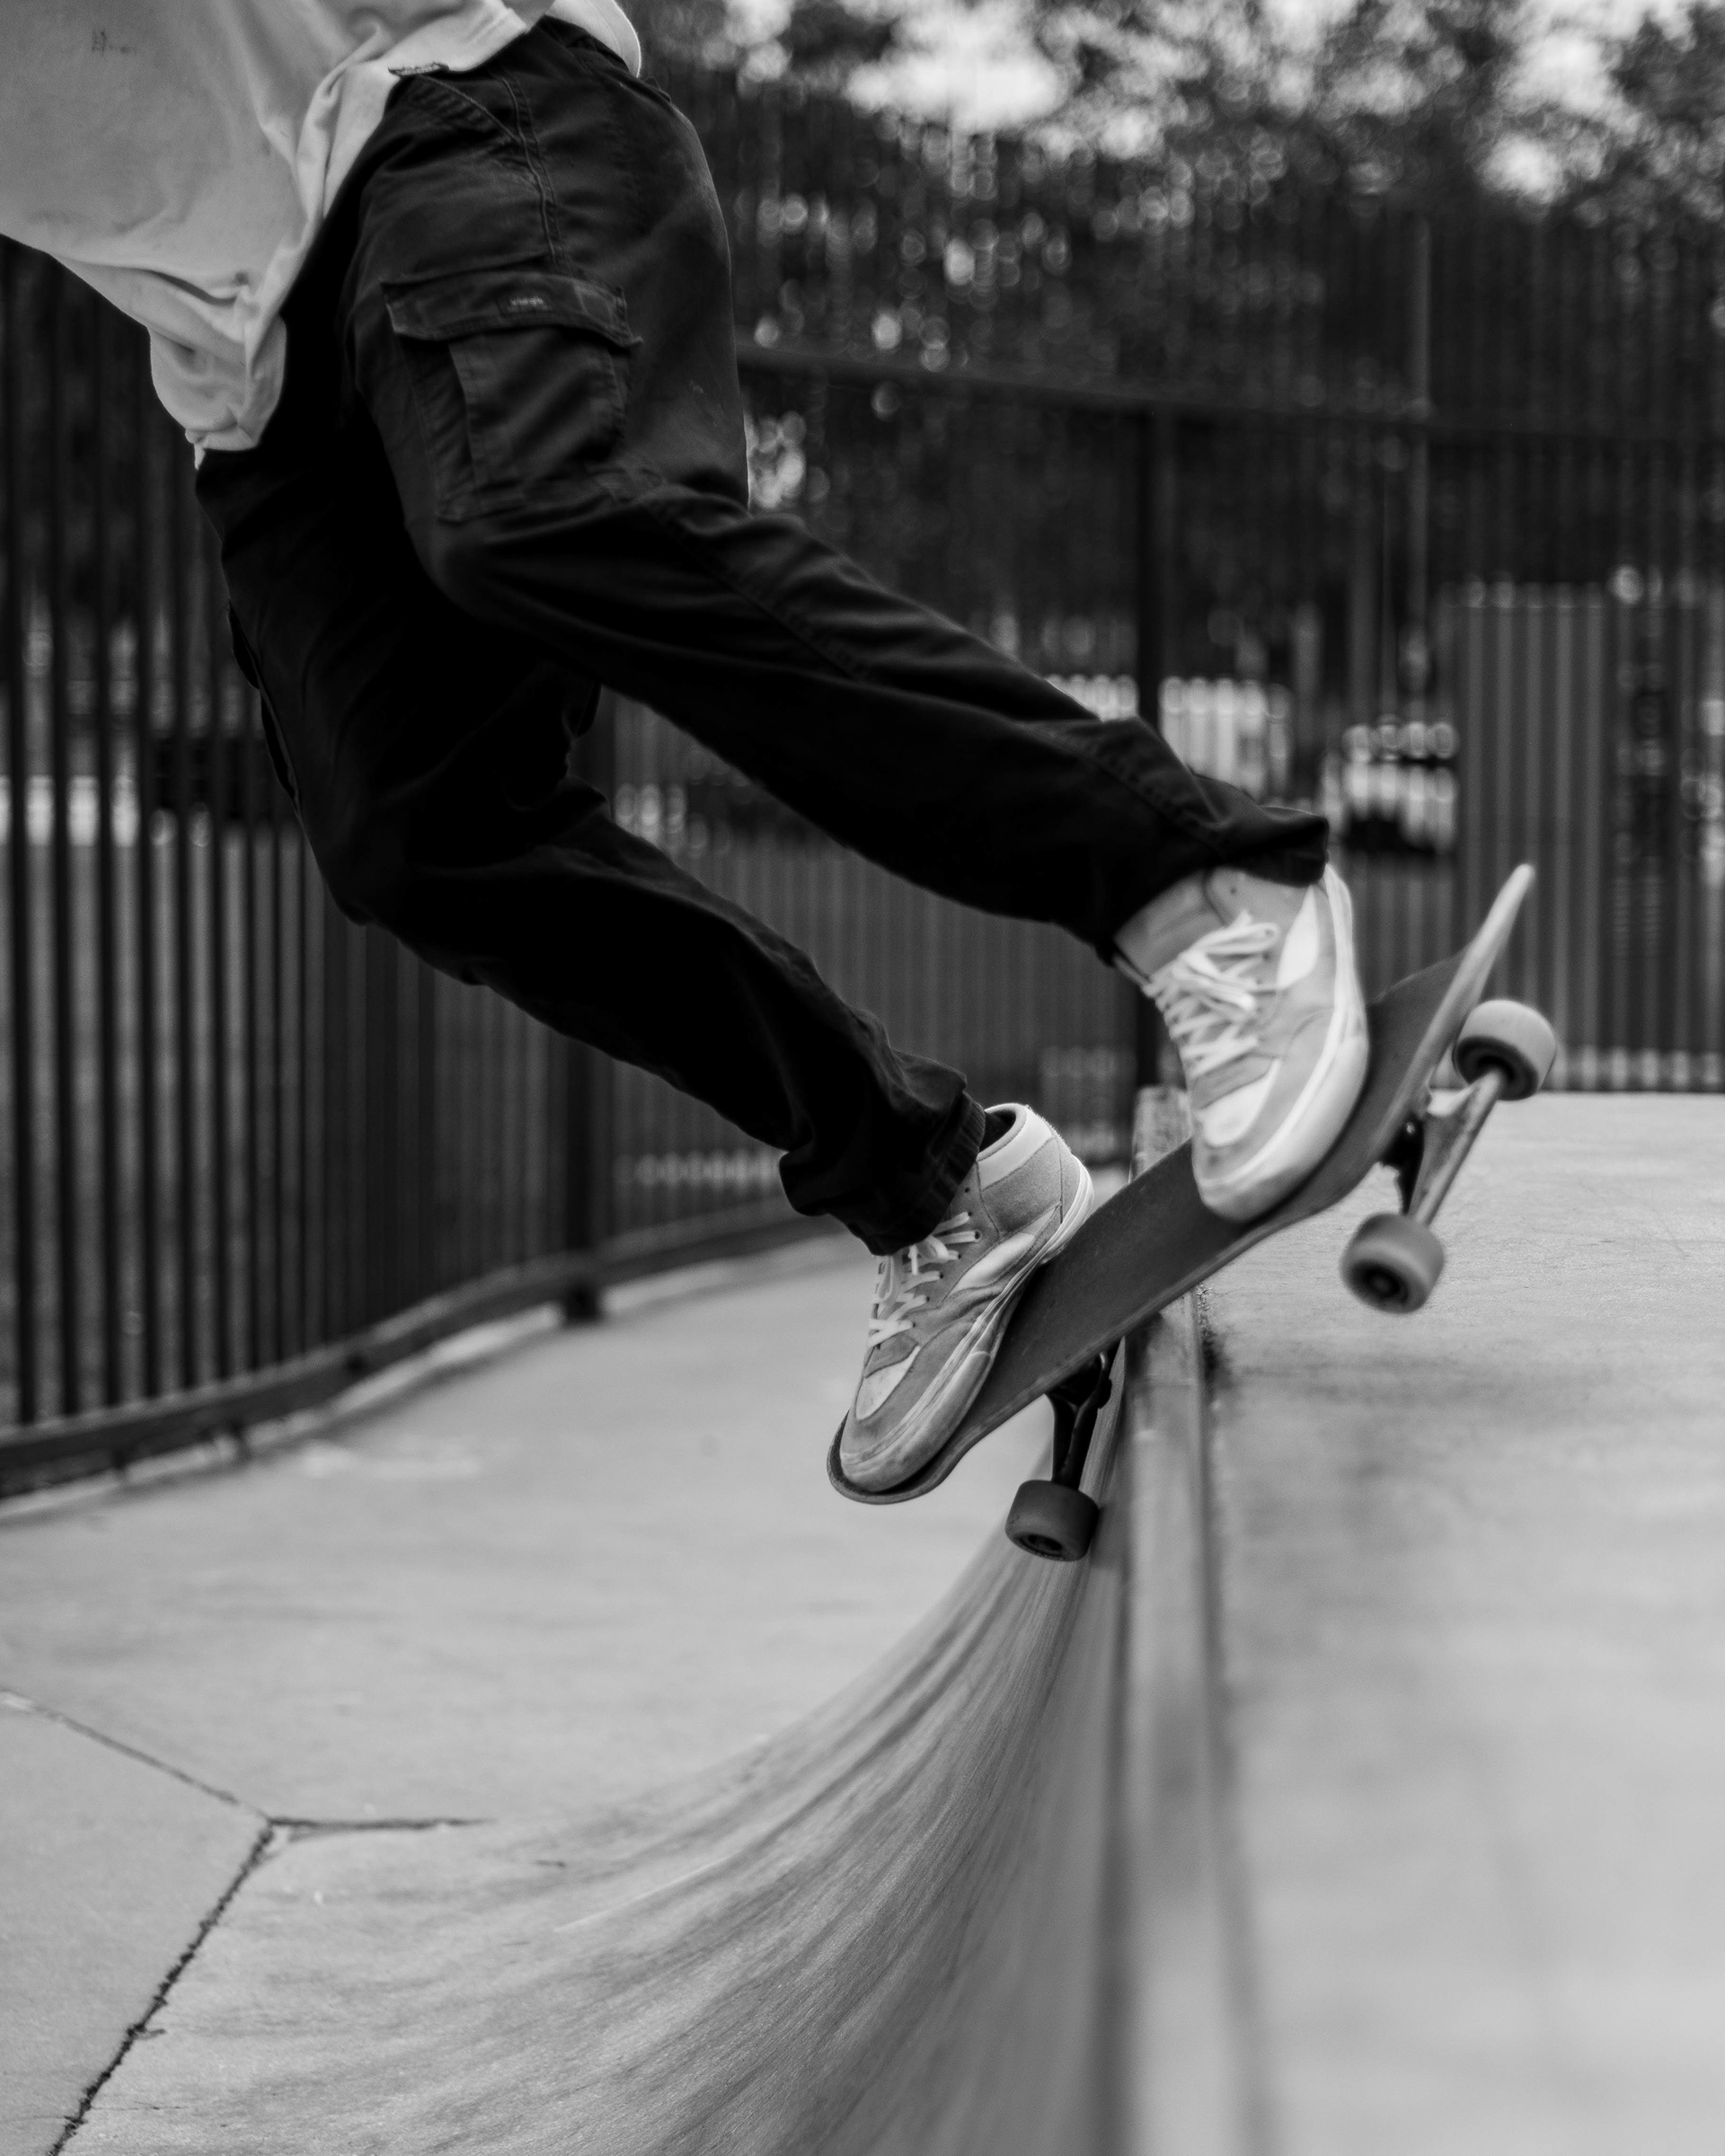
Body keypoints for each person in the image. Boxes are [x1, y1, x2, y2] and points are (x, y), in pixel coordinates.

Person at [1, 2, 1367, 1498]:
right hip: (249, 382)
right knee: (420, 835)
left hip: (446, 115)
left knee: (544, 516)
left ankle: (1203, 882)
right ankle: (938, 1182)